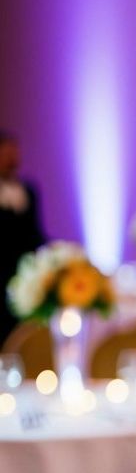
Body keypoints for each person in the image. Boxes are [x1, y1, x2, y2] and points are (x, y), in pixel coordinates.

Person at [0, 130, 45, 343]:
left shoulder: (29, 190)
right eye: (6, 153)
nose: (12, 158)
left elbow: (35, 232)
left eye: (14, 153)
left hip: (23, 276)